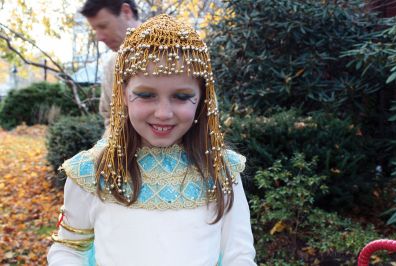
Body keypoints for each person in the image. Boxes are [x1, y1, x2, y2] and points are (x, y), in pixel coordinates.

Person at [47, 14, 256, 265]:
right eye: (146, 95)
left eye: (181, 96)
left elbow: (239, 256)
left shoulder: (222, 171)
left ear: (202, 98)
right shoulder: (92, 171)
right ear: (123, 93)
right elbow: (69, 248)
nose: (163, 113)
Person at [80, 0, 141, 130]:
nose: (99, 37)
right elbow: (110, 120)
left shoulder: (177, 53)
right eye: (95, 29)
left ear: (126, 12)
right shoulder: (111, 67)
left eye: (103, 26)